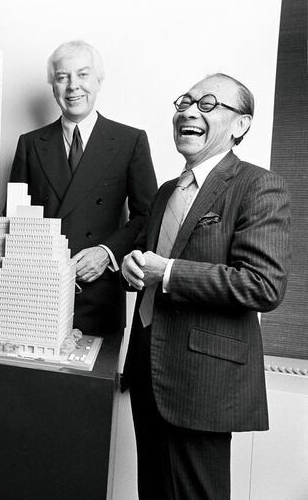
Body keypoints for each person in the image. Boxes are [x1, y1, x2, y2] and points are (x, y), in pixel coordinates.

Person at [121, 73, 290, 499]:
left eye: (209, 104)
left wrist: (170, 272)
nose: (189, 112)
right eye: (185, 102)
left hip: (201, 382)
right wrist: (133, 266)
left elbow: (262, 284)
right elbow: (153, 264)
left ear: (240, 125)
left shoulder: (258, 186)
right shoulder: (164, 193)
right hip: (147, 370)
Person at [9, 40, 157, 335]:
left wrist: (106, 253)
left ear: (98, 81)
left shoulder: (130, 141)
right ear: (53, 86)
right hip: (38, 294)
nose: (73, 86)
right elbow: (14, 216)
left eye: (83, 75)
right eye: (62, 77)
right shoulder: (30, 144)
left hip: (99, 293)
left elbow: (147, 216)